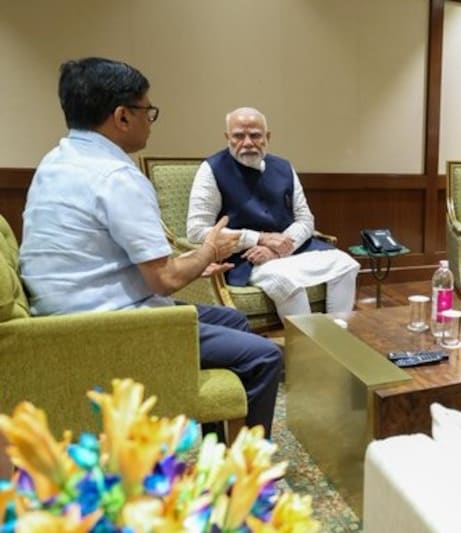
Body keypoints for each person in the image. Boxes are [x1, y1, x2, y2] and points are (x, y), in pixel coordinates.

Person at [18, 57, 283, 437]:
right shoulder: (118, 176)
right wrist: (208, 251)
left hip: (63, 315)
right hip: (112, 327)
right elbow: (163, 279)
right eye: (148, 111)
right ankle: (249, 473)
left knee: (235, 320)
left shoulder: (56, 161)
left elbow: (111, 255)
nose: (150, 121)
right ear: (122, 116)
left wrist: (196, 260)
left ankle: (211, 438)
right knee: (265, 357)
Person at [187, 107, 360, 319]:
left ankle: (336, 336)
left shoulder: (284, 167)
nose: (248, 142)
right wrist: (258, 239)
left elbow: (305, 219)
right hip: (246, 258)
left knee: (345, 265)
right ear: (227, 137)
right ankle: (307, 348)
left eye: (255, 135)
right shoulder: (211, 169)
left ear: (267, 137)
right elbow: (197, 231)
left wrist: (279, 249)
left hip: (290, 249)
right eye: (239, 136)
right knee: (285, 281)